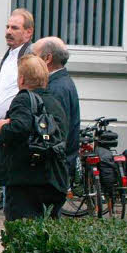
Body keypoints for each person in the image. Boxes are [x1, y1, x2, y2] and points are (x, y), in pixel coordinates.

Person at [0, 54, 69, 253]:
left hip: (25, 183)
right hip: (52, 183)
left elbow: (20, 127)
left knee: (20, 246)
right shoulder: (55, 101)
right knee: (44, 246)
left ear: (21, 79)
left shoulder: (23, 99)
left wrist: (3, 126)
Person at [32, 37, 80, 178]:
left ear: (47, 58)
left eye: (34, 56)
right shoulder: (61, 82)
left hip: (53, 169)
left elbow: (56, 133)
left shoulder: (55, 89)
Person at [0, 8, 35, 122]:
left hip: (16, 126)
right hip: (0, 126)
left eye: (14, 28)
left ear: (28, 32)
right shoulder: (9, 54)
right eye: (8, 27)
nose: (8, 32)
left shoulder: (31, 57)